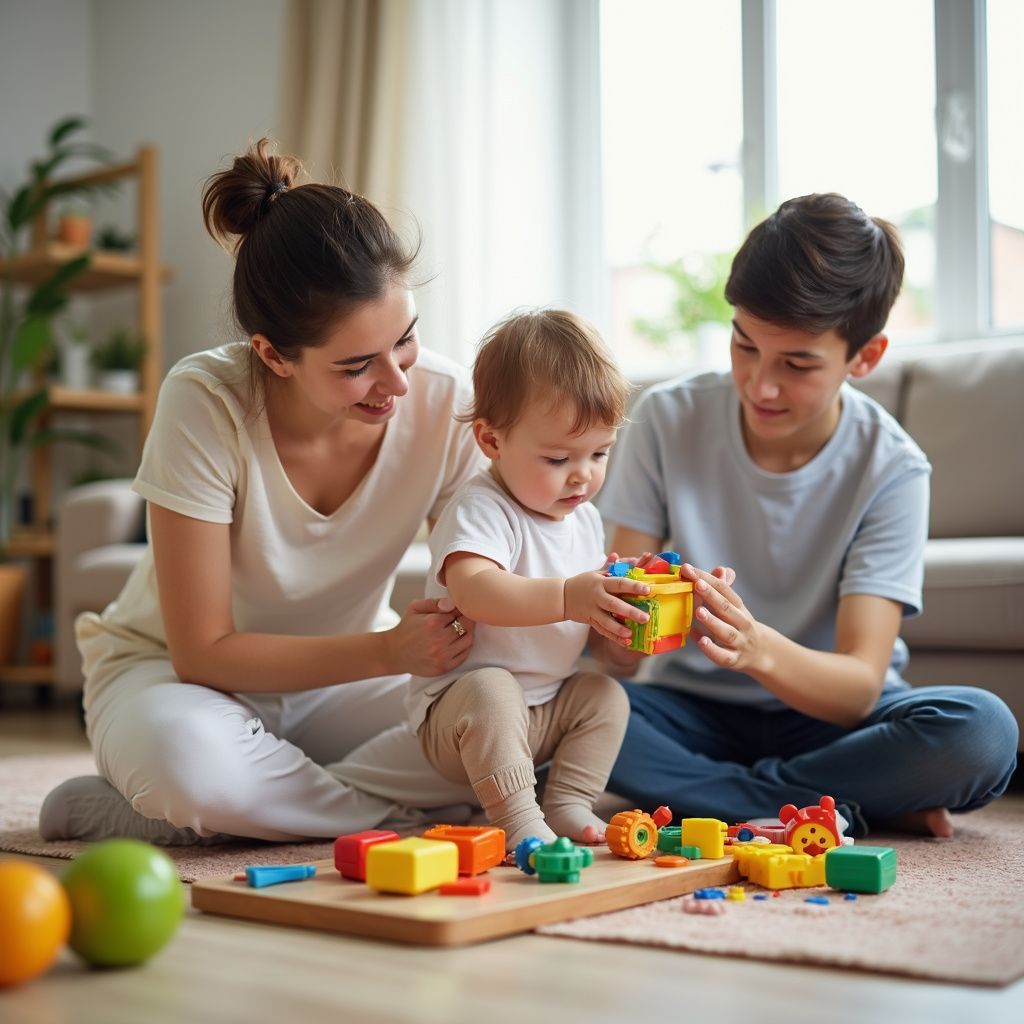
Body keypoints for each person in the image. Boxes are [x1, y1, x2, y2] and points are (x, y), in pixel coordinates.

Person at [40, 138, 486, 845]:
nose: (398, 381)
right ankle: (379, 817)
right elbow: (204, 652)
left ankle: (209, 817)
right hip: (179, 683)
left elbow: (486, 565)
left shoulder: (444, 398)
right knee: (187, 766)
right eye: (356, 366)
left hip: (338, 687)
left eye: (406, 339)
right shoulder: (205, 400)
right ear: (273, 355)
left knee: (503, 723)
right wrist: (389, 652)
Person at [592, 192, 1018, 839]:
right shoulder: (665, 419)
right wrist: (619, 631)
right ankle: (840, 801)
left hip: (829, 716)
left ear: (865, 357)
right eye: (744, 346)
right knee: (549, 712)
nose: (760, 385)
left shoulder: (893, 468)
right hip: (690, 708)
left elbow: (855, 687)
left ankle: (730, 796)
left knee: (982, 733)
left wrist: (756, 646)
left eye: (796, 364)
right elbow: (617, 655)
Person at [404, 309, 648, 851]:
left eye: (600, 453)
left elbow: (581, 630)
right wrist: (569, 597)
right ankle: (517, 821)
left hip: (546, 709)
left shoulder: (583, 518)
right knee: (494, 689)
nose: (583, 473)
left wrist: (617, 629)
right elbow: (475, 590)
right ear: (491, 441)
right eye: (559, 457)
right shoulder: (481, 508)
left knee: (605, 696)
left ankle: (567, 802)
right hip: (461, 712)